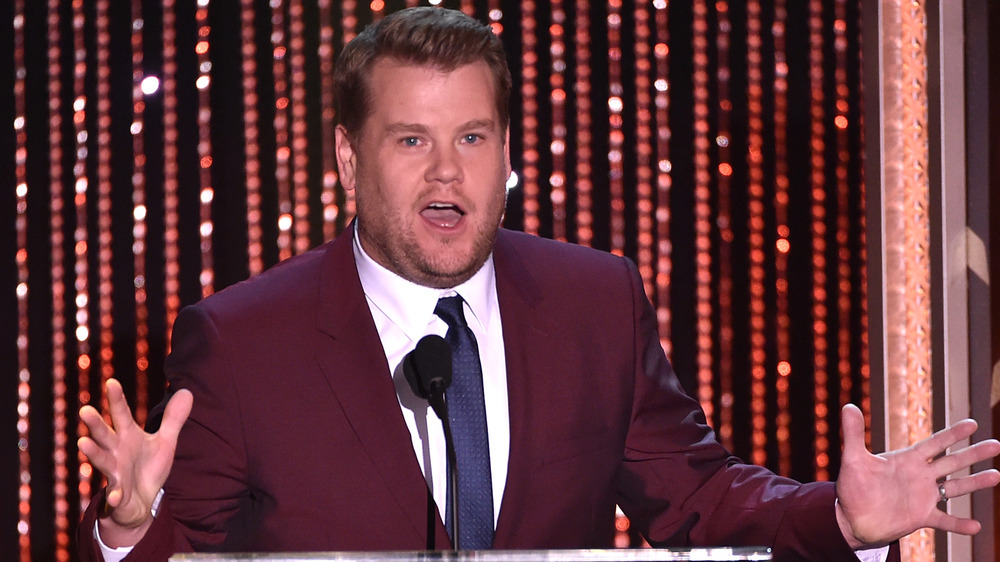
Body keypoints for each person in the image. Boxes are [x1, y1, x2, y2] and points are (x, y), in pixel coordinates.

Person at [77, 7, 1000, 562]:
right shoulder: (244, 341)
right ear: (350, 164)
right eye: (412, 141)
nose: (448, 174)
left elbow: (696, 498)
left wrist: (839, 518)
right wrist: (129, 527)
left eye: (472, 138)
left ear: (508, 153)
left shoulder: (593, 301)